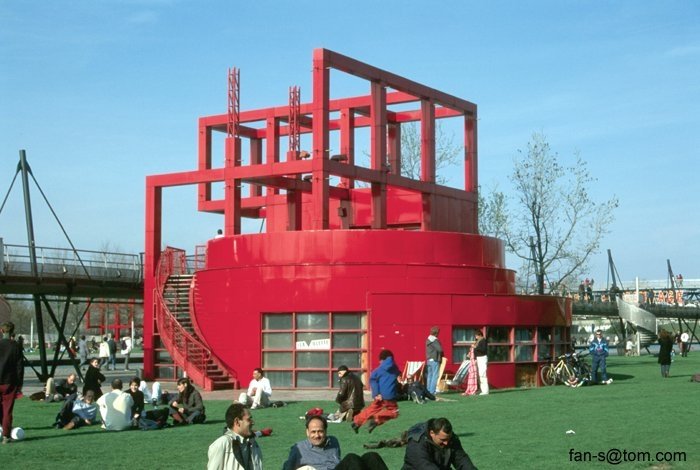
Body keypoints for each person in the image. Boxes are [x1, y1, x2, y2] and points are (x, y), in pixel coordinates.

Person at [284, 414, 388, 470]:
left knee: (371, 456)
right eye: (313, 432)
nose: (317, 435)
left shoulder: (333, 441)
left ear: (325, 431)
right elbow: (287, 467)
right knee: (351, 458)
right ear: (307, 432)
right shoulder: (299, 448)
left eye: (320, 431)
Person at [352, 349, 400, 433]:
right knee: (394, 412)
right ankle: (376, 419)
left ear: (382, 360)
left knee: (372, 409)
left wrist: (376, 393)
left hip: (379, 395)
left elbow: (372, 379)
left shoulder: (379, 369)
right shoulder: (395, 368)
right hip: (389, 396)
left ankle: (356, 422)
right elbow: (398, 375)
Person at [402, 417, 478, 469]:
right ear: (432, 433)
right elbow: (425, 466)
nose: (446, 443)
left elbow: (462, 460)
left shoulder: (451, 439)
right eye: (443, 440)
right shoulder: (416, 444)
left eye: (448, 439)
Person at [207, 403, 263, 470]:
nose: (253, 422)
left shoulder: (253, 443)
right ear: (237, 422)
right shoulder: (221, 444)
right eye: (248, 419)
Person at [0, 321, 24, 444]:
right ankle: (6, 435)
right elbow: (19, 367)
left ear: (1, 331)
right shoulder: (15, 346)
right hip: (9, 382)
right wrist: (19, 384)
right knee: (7, 410)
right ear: (12, 332)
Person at [425, 326, 443, 395]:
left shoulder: (428, 339)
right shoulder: (434, 340)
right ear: (436, 333)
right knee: (435, 376)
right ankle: (432, 391)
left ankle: (428, 391)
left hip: (429, 360)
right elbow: (440, 349)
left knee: (430, 376)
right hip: (435, 359)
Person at [472, 330, 489, 395]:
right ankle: (483, 390)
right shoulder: (478, 341)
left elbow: (483, 349)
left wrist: (475, 347)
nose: (475, 337)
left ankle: (485, 391)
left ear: (480, 335)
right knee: (480, 375)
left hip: (482, 358)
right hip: (479, 358)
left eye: (476, 336)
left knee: (483, 374)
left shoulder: (483, 340)